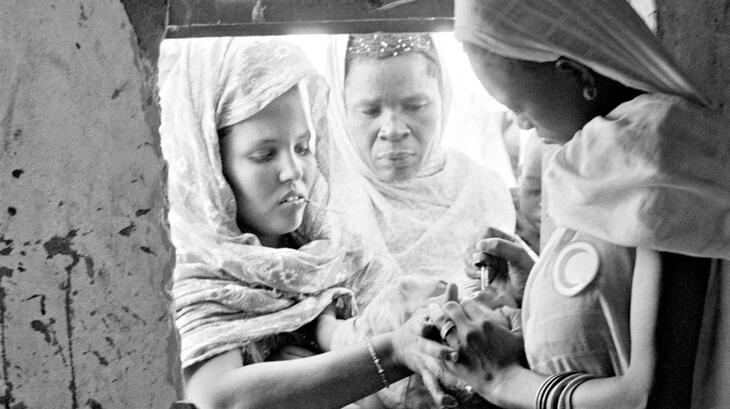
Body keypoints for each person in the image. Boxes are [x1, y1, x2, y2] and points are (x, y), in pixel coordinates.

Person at [424, 0, 730, 408]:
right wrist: (539, 290)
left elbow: (653, 397)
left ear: (576, 73)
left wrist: (499, 377)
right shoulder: (605, 160)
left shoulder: (658, 153)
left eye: (517, 106)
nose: (522, 124)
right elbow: (615, 317)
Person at [159, 37, 461, 409]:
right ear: (214, 169)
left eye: (303, 148)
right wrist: (392, 354)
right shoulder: (200, 272)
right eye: (264, 154)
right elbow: (221, 396)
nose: (293, 171)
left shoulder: (333, 251)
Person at [326, 32, 516, 288]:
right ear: (341, 109)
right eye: (370, 111)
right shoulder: (323, 200)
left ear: (443, 98)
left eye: (415, 106)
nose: (392, 130)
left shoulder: (483, 191)